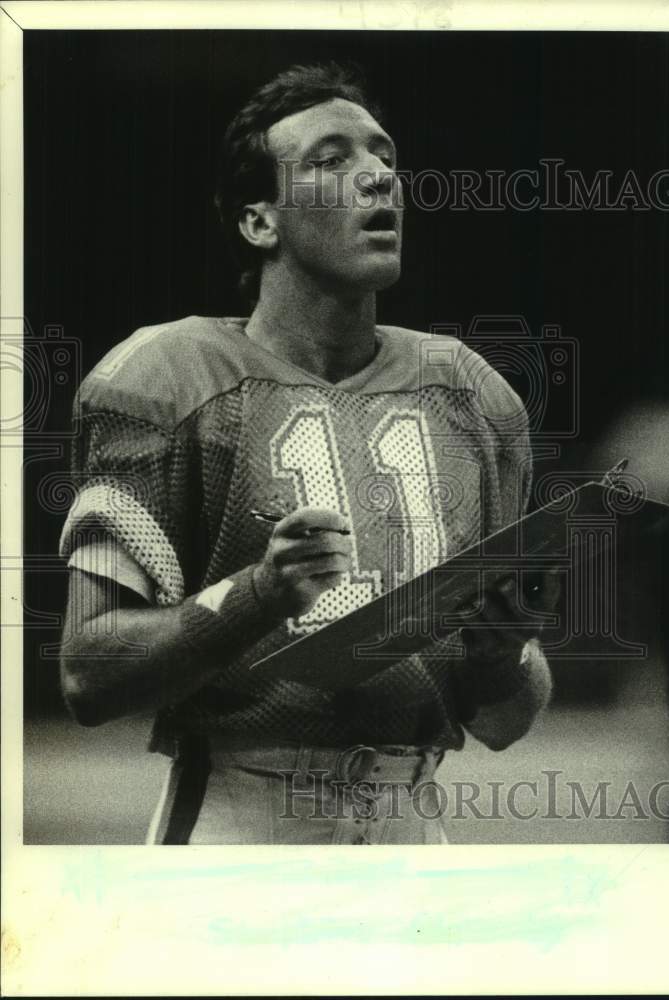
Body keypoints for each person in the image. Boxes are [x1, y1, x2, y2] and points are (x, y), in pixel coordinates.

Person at [58, 63, 552, 845]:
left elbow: (503, 722)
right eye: (331, 160)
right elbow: (88, 673)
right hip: (238, 819)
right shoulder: (169, 377)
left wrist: (498, 660)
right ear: (260, 222)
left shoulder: (472, 393)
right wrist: (256, 595)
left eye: (383, 156)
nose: (377, 178)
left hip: (412, 827)